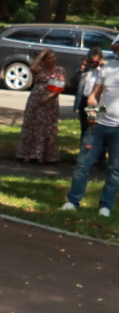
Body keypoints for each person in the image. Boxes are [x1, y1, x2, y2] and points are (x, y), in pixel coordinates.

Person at [61, 36, 119, 219]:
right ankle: (72, 201)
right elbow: (93, 96)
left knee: (115, 170)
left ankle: (105, 206)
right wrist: (94, 112)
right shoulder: (107, 69)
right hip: (98, 127)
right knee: (83, 165)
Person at [15, 49, 63, 164]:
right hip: (35, 101)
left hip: (49, 103)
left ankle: (43, 155)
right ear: (44, 60)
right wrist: (41, 55)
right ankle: (27, 153)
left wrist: (48, 97)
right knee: (31, 125)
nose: (53, 60)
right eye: (50, 58)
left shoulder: (58, 71)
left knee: (45, 127)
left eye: (54, 57)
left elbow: (60, 86)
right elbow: (32, 68)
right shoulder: (40, 70)